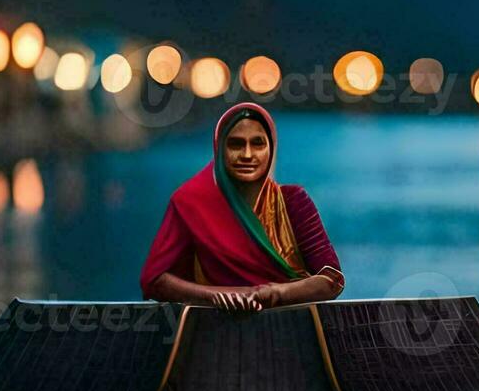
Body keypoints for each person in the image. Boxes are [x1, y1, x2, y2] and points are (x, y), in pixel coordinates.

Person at [140, 102, 344, 312]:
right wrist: (217, 297)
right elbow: (156, 281)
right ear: (219, 149)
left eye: (258, 144)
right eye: (236, 144)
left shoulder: (293, 201)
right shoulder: (189, 203)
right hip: (213, 330)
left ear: (271, 148)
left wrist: (274, 293)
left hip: (291, 328)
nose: (247, 154)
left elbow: (332, 279)